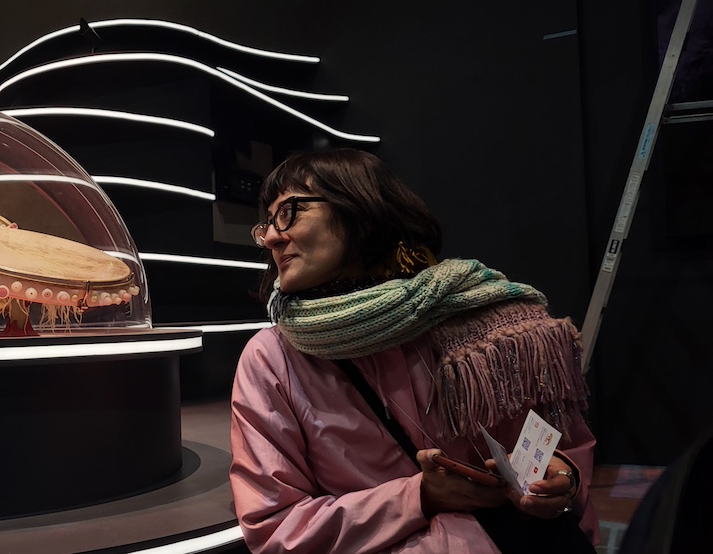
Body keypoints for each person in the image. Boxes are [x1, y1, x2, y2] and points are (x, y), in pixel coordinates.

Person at [229, 149, 598, 553]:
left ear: (362, 213)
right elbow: (275, 525)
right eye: (267, 223)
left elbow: (561, 442)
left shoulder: (492, 323)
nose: (271, 237)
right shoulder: (273, 359)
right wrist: (417, 497)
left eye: (289, 213)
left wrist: (564, 478)